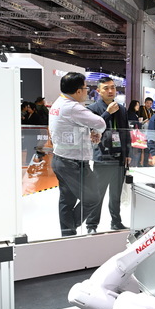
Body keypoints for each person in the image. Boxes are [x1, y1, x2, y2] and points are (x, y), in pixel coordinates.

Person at [48, 72, 106, 237]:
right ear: (78, 91)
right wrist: (97, 131)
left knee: (67, 201)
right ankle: (71, 226)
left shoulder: (58, 104)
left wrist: (90, 133)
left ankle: (68, 235)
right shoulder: (72, 107)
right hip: (73, 163)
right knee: (93, 197)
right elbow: (100, 122)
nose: (87, 92)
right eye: (86, 88)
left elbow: (71, 127)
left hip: (61, 159)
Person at [86, 76, 131, 233]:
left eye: (113, 87)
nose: (111, 91)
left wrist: (127, 153)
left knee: (116, 195)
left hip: (119, 159)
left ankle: (116, 221)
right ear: (98, 91)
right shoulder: (92, 109)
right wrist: (107, 112)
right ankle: (91, 225)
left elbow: (125, 133)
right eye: (106, 88)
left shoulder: (122, 109)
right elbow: (93, 128)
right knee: (98, 194)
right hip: (102, 159)